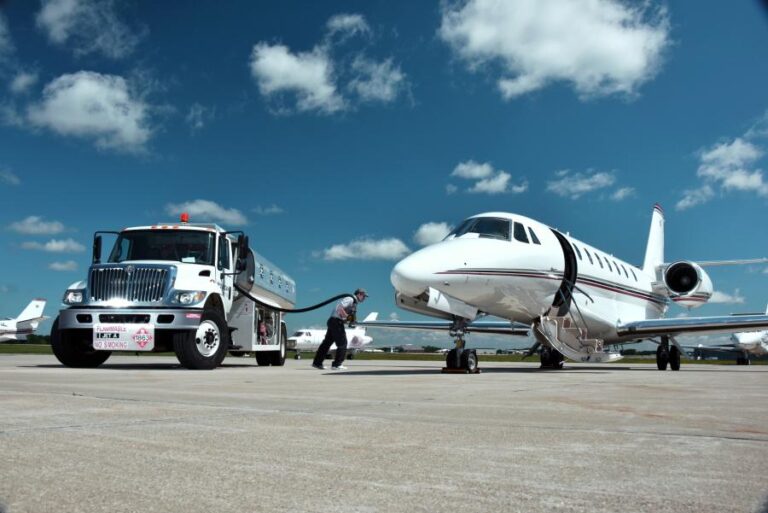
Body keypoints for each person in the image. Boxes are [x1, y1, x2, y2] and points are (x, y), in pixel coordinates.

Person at [312, 288, 368, 370]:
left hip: (333, 321)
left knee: (326, 343)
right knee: (343, 343)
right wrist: (346, 317)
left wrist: (349, 319)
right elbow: (339, 308)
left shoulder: (353, 302)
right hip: (336, 322)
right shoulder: (350, 299)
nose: (364, 298)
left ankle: (317, 363)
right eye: (364, 296)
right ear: (359, 294)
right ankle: (337, 364)